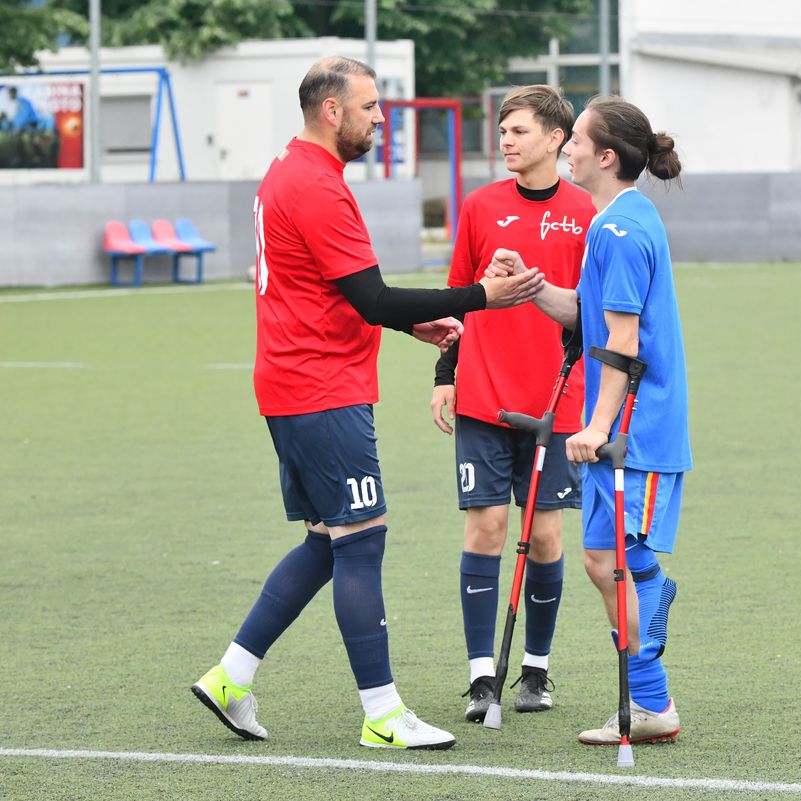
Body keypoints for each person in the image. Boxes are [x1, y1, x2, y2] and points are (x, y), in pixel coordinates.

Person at [189, 56, 544, 751]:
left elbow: (342, 293)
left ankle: (231, 676)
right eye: (372, 106)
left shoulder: (289, 172)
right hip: (321, 390)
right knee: (361, 539)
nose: (381, 119)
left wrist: (417, 323)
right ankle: (382, 713)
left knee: (328, 541)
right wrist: (482, 297)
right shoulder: (316, 185)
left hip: (294, 384)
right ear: (332, 110)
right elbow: (373, 295)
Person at [488, 96, 692, 746]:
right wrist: (530, 285)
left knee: (620, 559)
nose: (566, 147)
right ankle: (652, 694)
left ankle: (653, 681)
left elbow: (622, 342)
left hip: (640, 428)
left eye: (575, 139)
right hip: (618, 426)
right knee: (600, 560)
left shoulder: (621, 229)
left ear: (605, 156)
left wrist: (598, 424)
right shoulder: (615, 221)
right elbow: (590, 314)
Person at [429, 85, 595, 722]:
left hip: (557, 401)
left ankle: (536, 669)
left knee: (547, 533)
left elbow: (592, 314)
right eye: (503, 130)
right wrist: (447, 372)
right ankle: (480, 676)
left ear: (556, 139)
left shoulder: (586, 211)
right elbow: (455, 300)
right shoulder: (479, 207)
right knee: (486, 527)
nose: (506, 141)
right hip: (483, 395)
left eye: (519, 131)